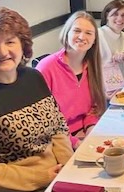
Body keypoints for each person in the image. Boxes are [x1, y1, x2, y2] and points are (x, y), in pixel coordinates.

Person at [0, 6, 72, 192]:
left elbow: (58, 127)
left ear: (22, 45)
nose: (2, 51)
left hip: (49, 179)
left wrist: (67, 166)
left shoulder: (33, 77)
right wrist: (43, 176)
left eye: (10, 41)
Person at [37, 12, 106, 149]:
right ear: (66, 33)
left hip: (84, 134)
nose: (82, 37)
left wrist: (91, 131)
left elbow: (93, 109)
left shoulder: (92, 67)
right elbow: (42, 121)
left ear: (94, 41)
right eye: (77, 30)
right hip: (56, 142)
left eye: (88, 33)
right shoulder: (47, 67)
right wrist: (76, 143)